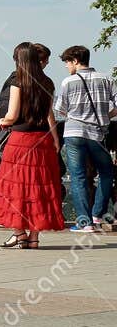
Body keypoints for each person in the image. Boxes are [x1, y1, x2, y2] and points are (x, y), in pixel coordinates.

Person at [0, 42, 63, 249]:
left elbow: (12, 115)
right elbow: (49, 113)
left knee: (14, 189)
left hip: (21, 142)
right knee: (38, 189)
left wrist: (3, 121)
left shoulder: (17, 81)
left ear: (19, 60)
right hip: (43, 141)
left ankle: (19, 233)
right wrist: (55, 137)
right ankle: (33, 238)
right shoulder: (48, 82)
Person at [54, 44, 115, 233]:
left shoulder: (68, 82)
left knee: (78, 177)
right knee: (106, 173)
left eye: (67, 62)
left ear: (75, 60)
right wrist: (106, 116)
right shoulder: (106, 79)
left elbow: (60, 110)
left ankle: (84, 222)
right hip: (97, 134)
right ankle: (97, 214)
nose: (66, 66)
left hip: (73, 134)